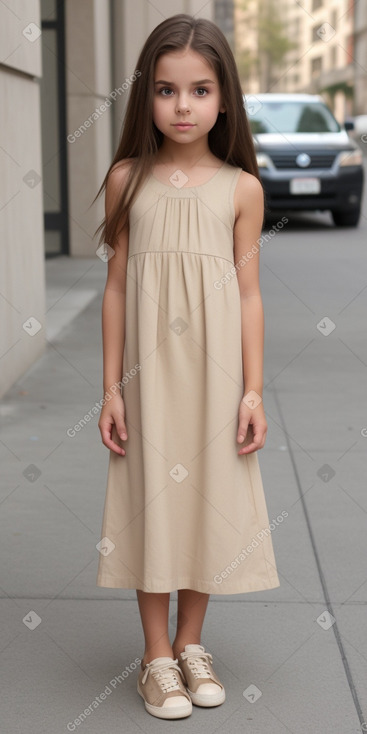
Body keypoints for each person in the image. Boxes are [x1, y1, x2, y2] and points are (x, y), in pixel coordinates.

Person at [94, 13, 280, 721]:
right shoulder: (124, 181)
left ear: (223, 98)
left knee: (204, 498)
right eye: (166, 90)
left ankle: (191, 641)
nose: (181, 106)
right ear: (145, 96)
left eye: (198, 90)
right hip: (147, 380)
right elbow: (114, 287)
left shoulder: (239, 189)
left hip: (214, 379)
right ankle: (155, 658)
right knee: (152, 503)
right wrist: (109, 388)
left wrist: (253, 391)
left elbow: (249, 292)